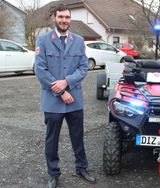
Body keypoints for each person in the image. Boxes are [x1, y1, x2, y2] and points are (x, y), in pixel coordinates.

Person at [34, 4, 96, 188]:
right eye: (60, 17)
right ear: (54, 18)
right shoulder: (43, 40)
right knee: (51, 139)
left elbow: (83, 67)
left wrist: (66, 82)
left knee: (78, 136)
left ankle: (81, 168)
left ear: (70, 19)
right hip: (52, 101)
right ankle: (53, 173)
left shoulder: (78, 40)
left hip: (74, 100)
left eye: (67, 17)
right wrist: (60, 91)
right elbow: (40, 70)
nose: (64, 20)